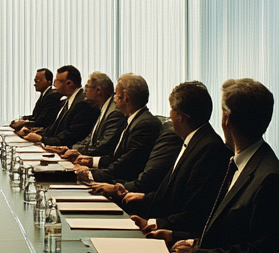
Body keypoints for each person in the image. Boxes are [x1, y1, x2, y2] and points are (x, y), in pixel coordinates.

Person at [171, 78, 279, 253]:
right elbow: (234, 233)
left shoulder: (270, 179)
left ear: (226, 119)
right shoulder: (242, 162)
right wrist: (195, 242)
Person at [94, 81, 231, 239]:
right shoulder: (196, 140)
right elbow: (172, 193)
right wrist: (144, 197)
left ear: (182, 117)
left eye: (171, 110)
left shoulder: (209, 149)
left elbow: (194, 211)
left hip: (179, 238)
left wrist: (155, 223)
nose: (169, 117)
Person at [75, 73, 161, 184]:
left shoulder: (145, 124)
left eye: (116, 95)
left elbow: (126, 165)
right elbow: (116, 157)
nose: (114, 99)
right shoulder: (133, 119)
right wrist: (91, 161)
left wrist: (89, 174)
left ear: (125, 98)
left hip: (124, 186)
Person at [22, 66, 96, 148]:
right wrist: (33, 134)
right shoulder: (67, 100)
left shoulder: (82, 103)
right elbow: (54, 129)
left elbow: (71, 136)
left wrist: (42, 139)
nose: (54, 84)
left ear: (69, 83)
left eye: (57, 80)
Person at [60, 72, 125, 161]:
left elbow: (102, 146)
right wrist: (72, 149)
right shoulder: (102, 107)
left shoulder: (114, 112)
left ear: (98, 90)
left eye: (87, 86)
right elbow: (90, 139)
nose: (85, 90)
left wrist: (74, 151)